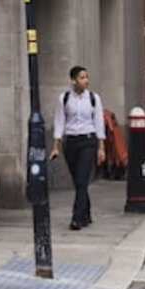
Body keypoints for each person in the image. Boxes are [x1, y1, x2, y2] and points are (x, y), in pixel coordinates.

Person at [50, 64, 106, 230]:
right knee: (78, 182)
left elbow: (99, 122)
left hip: (88, 141)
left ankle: (76, 218)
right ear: (74, 80)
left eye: (87, 77)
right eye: (82, 78)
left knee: (82, 179)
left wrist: (101, 147)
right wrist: (55, 146)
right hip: (71, 142)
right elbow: (59, 122)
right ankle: (86, 213)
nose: (86, 81)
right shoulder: (64, 98)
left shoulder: (94, 98)